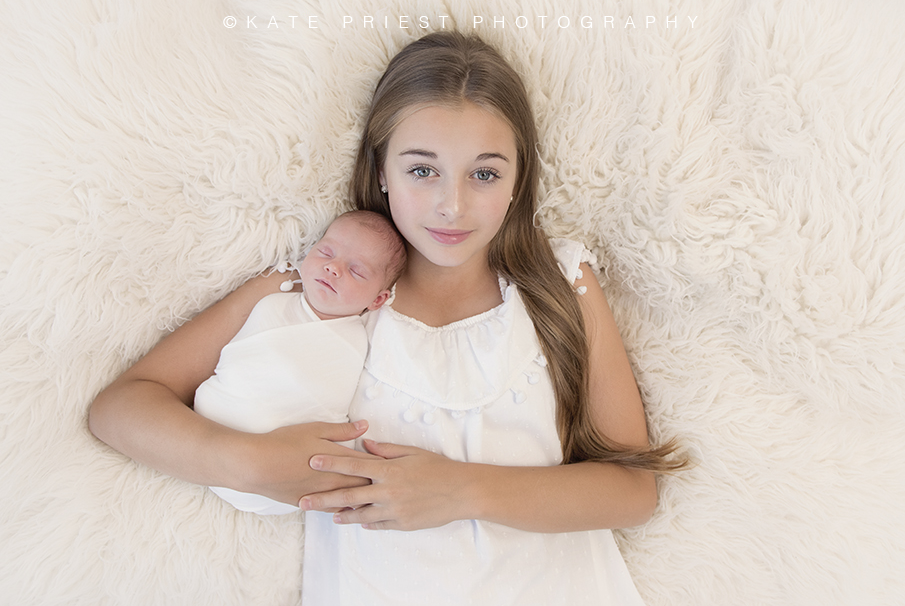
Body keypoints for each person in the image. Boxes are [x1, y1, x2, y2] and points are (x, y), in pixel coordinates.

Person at [89, 31, 684, 605]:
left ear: (517, 180)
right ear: (381, 170)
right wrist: (248, 462)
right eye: (422, 170)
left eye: (484, 173)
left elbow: (633, 491)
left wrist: (461, 489)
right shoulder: (322, 287)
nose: (451, 205)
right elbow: (120, 409)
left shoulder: (562, 284)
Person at [192, 209, 406, 514]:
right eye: (326, 252)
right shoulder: (271, 302)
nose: (333, 268)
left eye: (356, 271)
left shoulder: (359, 342)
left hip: (290, 472)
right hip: (214, 436)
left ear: (378, 300)